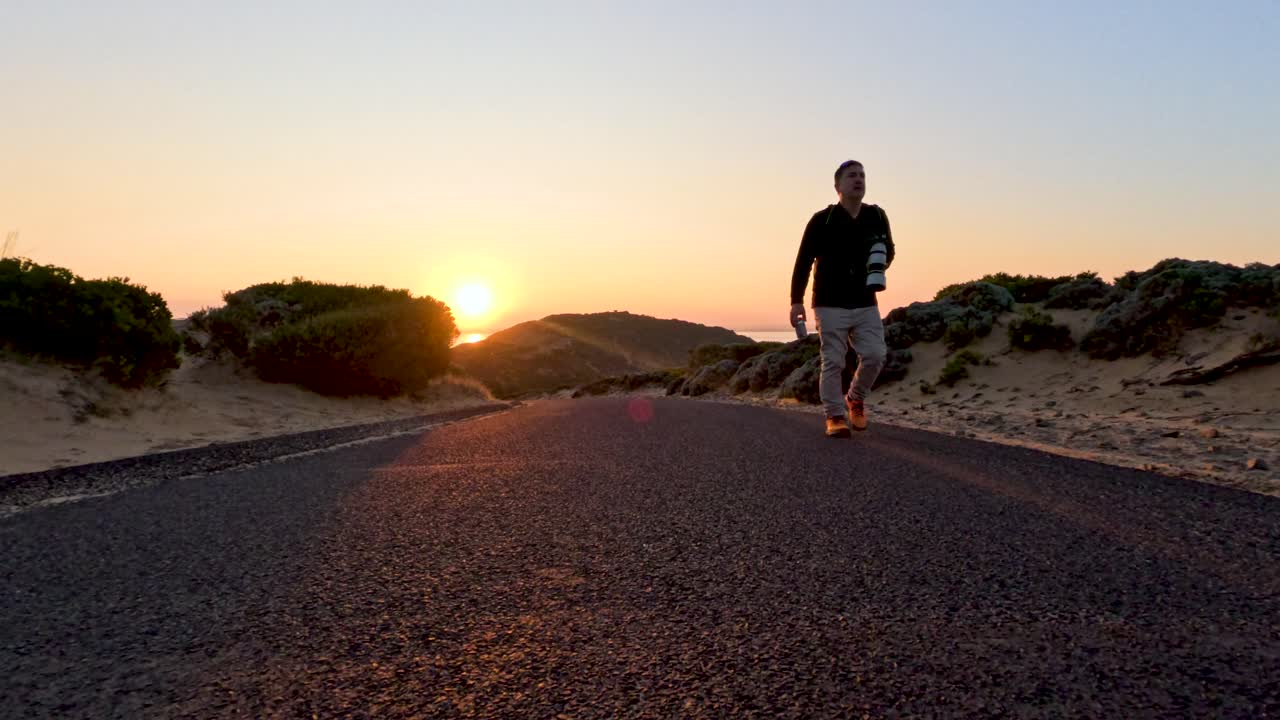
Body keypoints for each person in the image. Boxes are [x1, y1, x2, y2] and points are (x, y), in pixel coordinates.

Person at [789, 159, 895, 438]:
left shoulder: (877, 216)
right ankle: (834, 416)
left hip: (865, 301)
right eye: (851, 175)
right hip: (829, 301)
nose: (858, 179)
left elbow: (890, 251)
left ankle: (855, 398)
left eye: (862, 175)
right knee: (833, 361)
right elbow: (803, 262)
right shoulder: (822, 220)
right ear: (837, 186)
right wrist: (796, 300)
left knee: (875, 355)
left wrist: (878, 263)